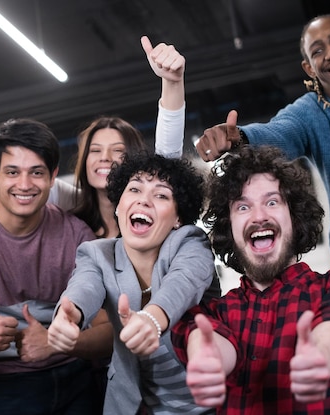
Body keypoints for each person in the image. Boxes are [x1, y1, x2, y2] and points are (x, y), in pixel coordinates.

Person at [193, 14, 330, 414]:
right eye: (318, 51)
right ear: (308, 68)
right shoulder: (310, 113)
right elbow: (281, 133)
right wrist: (240, 137)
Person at [171, 145, 330, 413]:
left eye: (272, 202)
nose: (259, 216)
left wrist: (321, 354)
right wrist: (207, 360)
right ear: (229, 228)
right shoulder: (212, 314)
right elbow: (208, 342)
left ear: (295, 218)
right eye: (243, 206)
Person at [0, 118, 111, 414]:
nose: (24, 185)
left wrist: (59, 343)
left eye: (36, 173)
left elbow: (107, 332)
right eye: (12, 172)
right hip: (3, 385)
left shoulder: (77, 235)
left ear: (52, 177)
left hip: (78, 380)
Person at [0, 35, 187, 237]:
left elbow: (168, 161)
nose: (105, 158)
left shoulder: (149, 209)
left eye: (118, 151)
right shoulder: (70, 201)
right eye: (95, 151)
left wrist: (172, 82)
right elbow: (8, 157)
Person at [47, 152, 218, 414]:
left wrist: (152, 318)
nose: (144, 200)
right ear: (118, 205)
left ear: (178, 219)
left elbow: (184, 281)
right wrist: (68, 316)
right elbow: (84, 286)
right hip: (139, 406)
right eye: (135, 189)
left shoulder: (191, 242)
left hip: (214, 402)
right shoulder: (96, 254)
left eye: (161, 195)